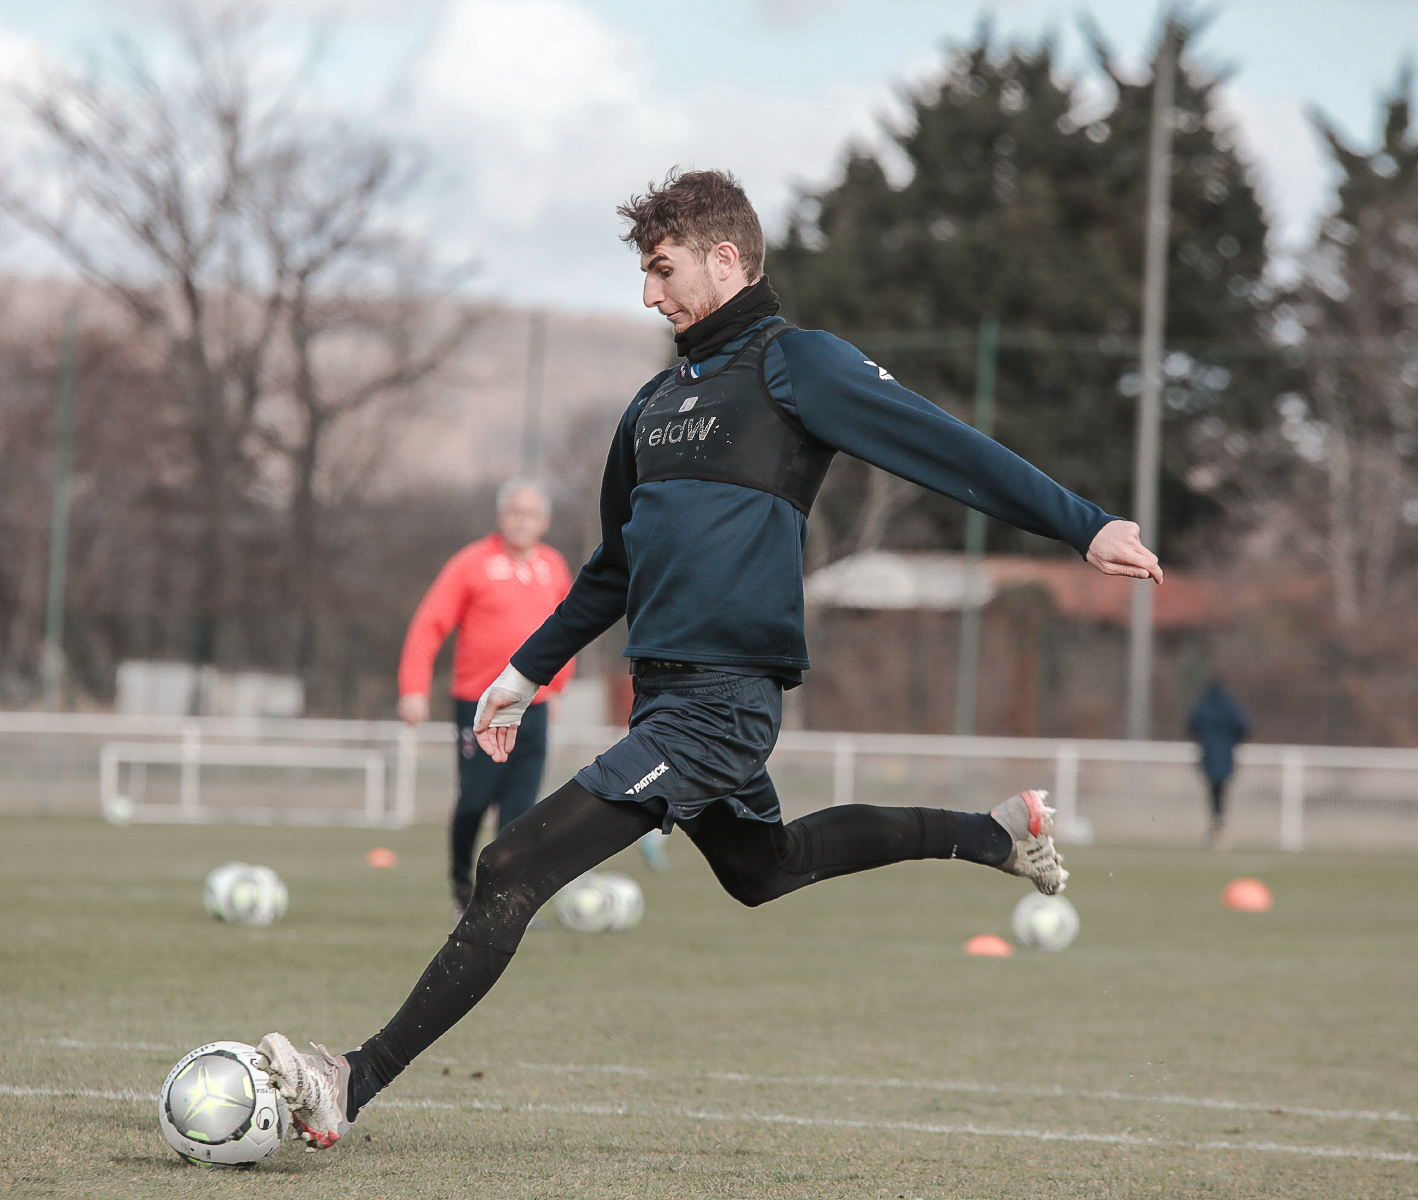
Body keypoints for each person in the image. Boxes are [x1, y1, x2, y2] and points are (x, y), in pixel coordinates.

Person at [255, 168, 1163, 1150]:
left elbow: (941, 445)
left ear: (724, 259)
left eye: (663, 269)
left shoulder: (795, 365)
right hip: (665, 703)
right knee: (759, 868)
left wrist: (1085, 525)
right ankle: (988, 835)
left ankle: (350, 1078)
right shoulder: (649, 406)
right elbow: (612, 568)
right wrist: (521, 673)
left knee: (511, 863)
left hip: (722, 705)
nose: (649, 295)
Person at [396, 479, 575, 916]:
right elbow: (429, 624)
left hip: (532, 707)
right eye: (514, 512)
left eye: (530, 513)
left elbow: (570, 628)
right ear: (500, 517)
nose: (521, 520)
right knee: (474, 802)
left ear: (545, 522)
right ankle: (461, 882)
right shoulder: (471, 564)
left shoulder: (553, 566)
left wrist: (558, 688)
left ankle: (504, 904)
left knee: (521, 814)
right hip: (479, 705)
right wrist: (413, 688)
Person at [1187, 681, 1250, 847]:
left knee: (1213, 792)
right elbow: (1243, 726)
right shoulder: (1231, 707)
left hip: (1208, 754)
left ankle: (1216, 828)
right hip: (1226, 755)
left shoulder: (1203, 706)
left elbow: (1192, 725)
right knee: (1222, 791)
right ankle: (1220, 827)